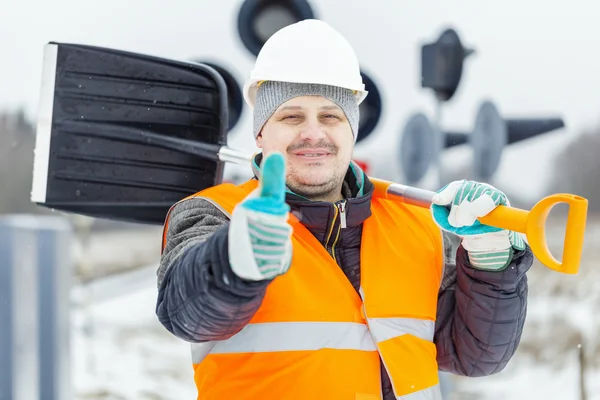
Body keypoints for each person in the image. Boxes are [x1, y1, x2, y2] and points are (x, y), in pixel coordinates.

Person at [156, 19, 533, 400]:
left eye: (331, 116)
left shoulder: (416, 226)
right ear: (260, 132)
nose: (313, 133)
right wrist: (231, 263)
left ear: (351, 129)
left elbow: (476, 356)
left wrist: (492, 265)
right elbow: (187, 314)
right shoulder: (214, 215)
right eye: (291, 116)